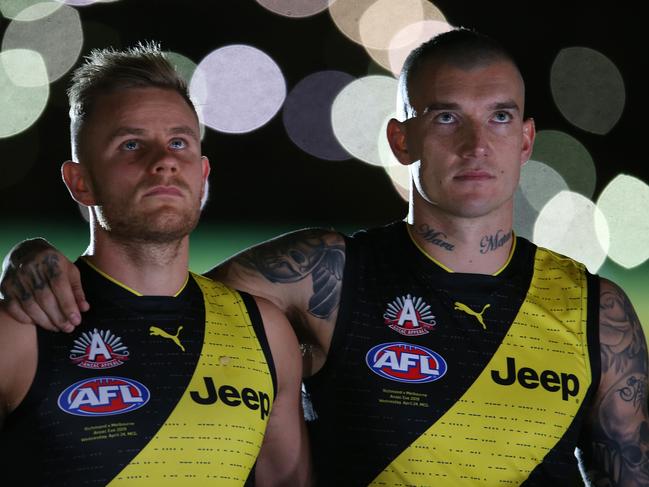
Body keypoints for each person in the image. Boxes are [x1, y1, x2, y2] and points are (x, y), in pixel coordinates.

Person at [2, 29, 648, 486]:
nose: (478, 143)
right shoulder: (322, 276)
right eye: (446, 116)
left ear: (527, 138)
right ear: (400, 138)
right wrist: (28, 260)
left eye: (501, 116)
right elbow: (158, 302)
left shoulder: (598, 309)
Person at [0, 43, 310, 486]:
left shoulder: (265, 330)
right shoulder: (20, 331)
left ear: (202, 176)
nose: (163, 161)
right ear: (81, 182)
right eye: (131, 145)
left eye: (178, 142)